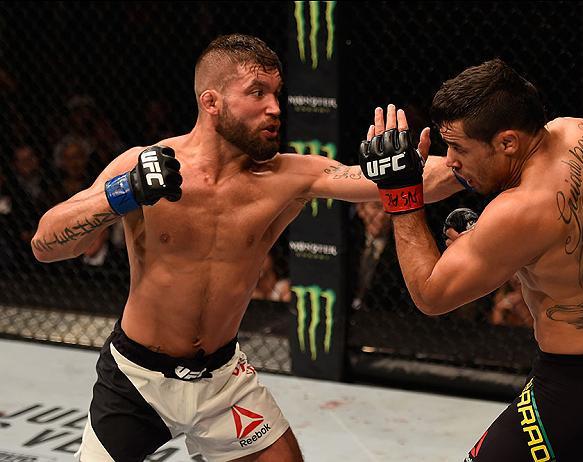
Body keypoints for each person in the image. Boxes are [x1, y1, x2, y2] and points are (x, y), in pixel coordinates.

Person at [31, 34, 458, 461]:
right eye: (257, 93)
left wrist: (443, 165)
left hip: (222, 381)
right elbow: (45, 243)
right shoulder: (144, 164)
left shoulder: (289, 178)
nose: (274, 107)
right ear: (211, 102)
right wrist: (123, 192)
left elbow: (413, 179)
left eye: (276, 94)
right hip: (138, 379)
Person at [359, 59, 583, 461]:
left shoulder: (519, 210)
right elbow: (571, 242)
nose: (450, 160)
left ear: (507, 142)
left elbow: (431, 295)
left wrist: (400, 195)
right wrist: (501, 248)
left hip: (577, 391)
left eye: (460, 148)